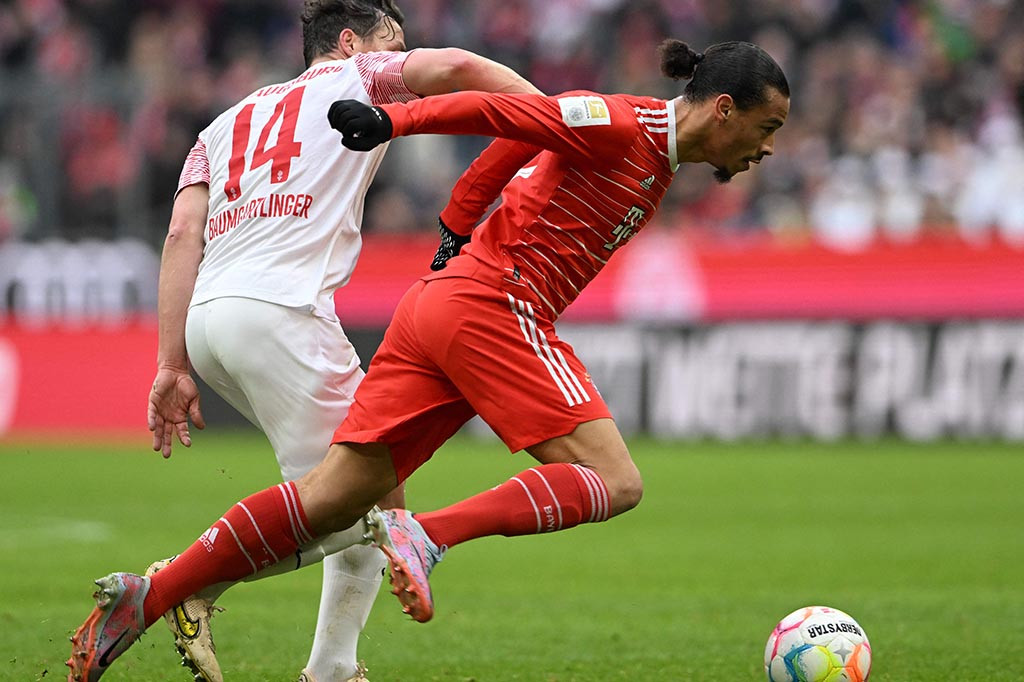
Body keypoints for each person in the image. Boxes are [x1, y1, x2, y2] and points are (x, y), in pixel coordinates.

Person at [68, 39, 788, 680]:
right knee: (616, 480)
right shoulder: (624, 124)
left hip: (438, 306)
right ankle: (430, 533)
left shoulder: (642, 147)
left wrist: (455, 222)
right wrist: (394, 122)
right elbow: (501, 113)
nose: (768, 149)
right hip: (496, 305)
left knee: (330, 500)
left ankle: (151, 596)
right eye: (767, 128)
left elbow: (526, 134)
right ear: (723, 109)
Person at [141, 1, 540, 681]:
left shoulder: (220, 124)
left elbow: (182, 232)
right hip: (284, 313)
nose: (403, 51)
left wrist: (173, 361)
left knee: (364, 504)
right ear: (351, 41)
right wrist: (550, 117)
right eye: (394, 39)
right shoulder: (360, 74)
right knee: (366, 507)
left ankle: (332, 668)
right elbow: (461, 67)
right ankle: (188, 583)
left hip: (209, 319)